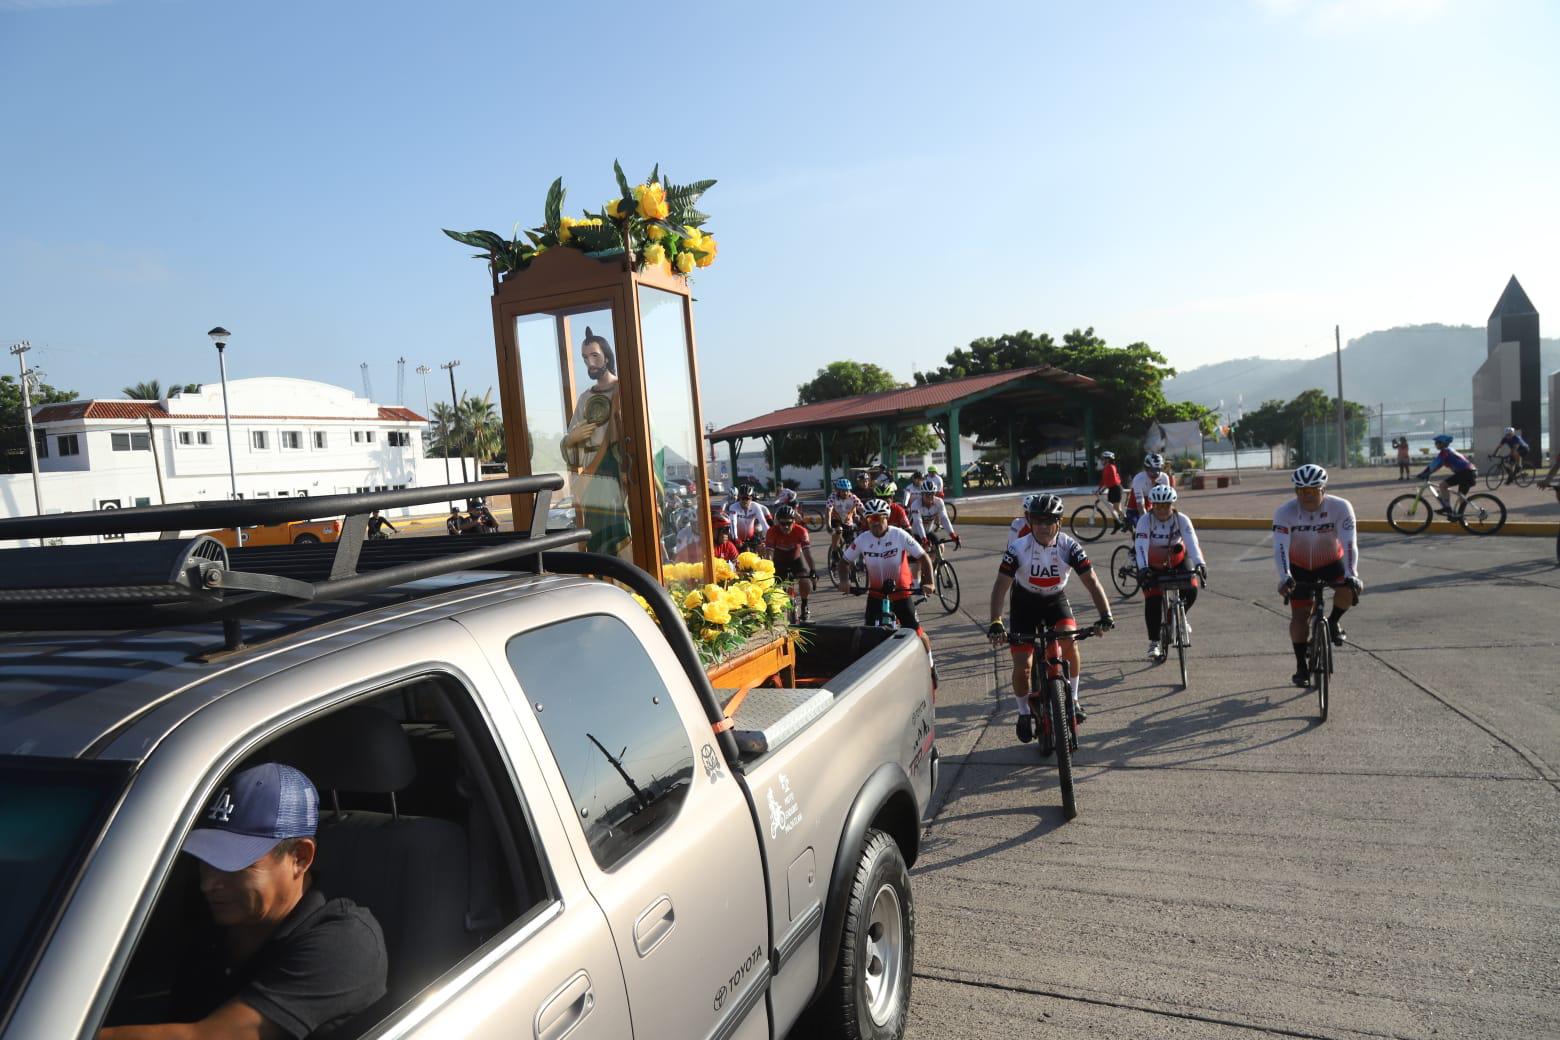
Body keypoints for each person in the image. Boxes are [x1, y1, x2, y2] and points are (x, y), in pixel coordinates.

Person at [100, 764, 387, 1040]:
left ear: (299, 857)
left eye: (233, 864)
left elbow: (210, 1038)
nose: (208, 884)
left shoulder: (345, 942)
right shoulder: (213, 922)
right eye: (206, 860)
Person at [987, 493, 1113, 741]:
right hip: (1024, 604)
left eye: (1049, 521)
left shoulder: (1069, 546)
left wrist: (1105, 615)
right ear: (1029, 521)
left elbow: (1092, 582)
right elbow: (1000, 586)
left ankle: (1073, 699)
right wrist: (996, 622)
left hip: (1055, 601)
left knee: (1070, 643)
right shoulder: (1018, 548)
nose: (1043, 527)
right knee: (1023, 666)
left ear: (1059, 522)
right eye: (1038, 521)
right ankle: (1024, 712)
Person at [1274, 464, 1363, 687]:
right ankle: (1301, 667)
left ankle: (1333, 622)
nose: (1307, 495)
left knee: (1349, 590)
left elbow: (1349, 543)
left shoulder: (1340, 507)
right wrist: (1285, 576)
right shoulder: (1284, 512)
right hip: (1299, 567)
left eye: (1313, 490)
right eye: (1301, 491)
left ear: (1323, 489)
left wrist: (1352, 573)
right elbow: (1280, 547)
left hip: (1332, 563)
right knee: (1300, 617)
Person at [560, 327, 630, 556]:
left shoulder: (624, 390)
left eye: (595, 356)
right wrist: (572, 439)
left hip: (618, 473)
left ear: (607, 357)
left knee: (620, 533)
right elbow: (571, 443)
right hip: (593, 476)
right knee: (598, 537)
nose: (590, 363)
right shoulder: (585, 398)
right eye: (585, 358)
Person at [842, 499, 932, 659]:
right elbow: (844, 562)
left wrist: (929, 582)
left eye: (879, 518)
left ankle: (931, 664)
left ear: (887, 518)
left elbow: (923, 557)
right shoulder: (863, 539)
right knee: (867, 637)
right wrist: (844, 582)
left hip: (901, 593)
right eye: (871, 519)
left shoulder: (898, 534)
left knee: (917, 632)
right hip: (876, 594)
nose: (875, 523)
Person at [1134, 484, 1206, 662]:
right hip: (1152, 565)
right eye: (1158, 506)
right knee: (1153, 600)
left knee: (1192, 589)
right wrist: (1143, 568)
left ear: (1172, 505)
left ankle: (1178, 617)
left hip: (1178, 561)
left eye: (1165, 505)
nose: (1161, 510)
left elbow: (1192, 543)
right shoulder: (1145, 521)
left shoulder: (1181, 520)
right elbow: (1141, 546)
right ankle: (1154, 641)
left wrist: (1200, 563)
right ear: (1152, 505)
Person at [765, 504, 819, 621]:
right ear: (777, 522)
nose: (785, 526)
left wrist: (813, 570)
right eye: (782, 523)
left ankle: (804, 605)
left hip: (796, 559)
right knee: (774, 588)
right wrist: (767, 572)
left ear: (794, 521)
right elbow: (769, 555)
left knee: (805, 580)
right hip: (778, 561)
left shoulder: (801, 531)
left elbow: (807, 554)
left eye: (789, 523)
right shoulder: (771, 531)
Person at [907, 483, 960, 593]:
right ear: (922, 494)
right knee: (918, 558)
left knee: (940, 548)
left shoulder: (938, 502)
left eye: (932, 494)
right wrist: (924, 540)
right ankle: (916, 585)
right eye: (927, 495)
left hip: (928, 531)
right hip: (916, 533)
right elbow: (918, 522)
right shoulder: (916, 504)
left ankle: (932, 570)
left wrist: (953, 535)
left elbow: (944, 519)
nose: (930, 497)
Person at [1416, 434, 1476, 514]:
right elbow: (1438, 466)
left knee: (1443, 486)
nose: (1435, 444)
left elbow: (1434, 464)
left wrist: (1423, 474)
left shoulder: (1444, 452)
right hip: (1471, 472)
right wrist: (1427, 473)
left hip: (1465, 473)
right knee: (1461, 497)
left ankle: (1447, 508)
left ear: (1442, 443)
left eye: (1437, 442)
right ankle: (1459, 516)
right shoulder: (1450, 450)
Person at [1126, 453, 1171, 529]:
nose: (1155, 473)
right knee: (1142, 528)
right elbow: (1140, 505)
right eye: (1152, 470)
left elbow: (1167, 502)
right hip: (1135, 508)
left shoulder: (1164, 478)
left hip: (1151, 507)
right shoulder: (1139, 479)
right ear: (1146, 469)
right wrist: (1146, 523)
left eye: (1158, 470)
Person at [723, 484, 770, 552]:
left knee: (762, 551)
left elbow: (763, 522)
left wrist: (769, 536)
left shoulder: (755, 506)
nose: (744, 501)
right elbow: (733, 524)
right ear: (739, 497)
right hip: (738, 539)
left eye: (747, 498)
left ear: (751, 498)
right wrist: (735, 538)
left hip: (751, 538)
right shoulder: (733, 507)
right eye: (742, 498)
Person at [825, 477, 864, 553]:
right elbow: (828, 511)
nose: (845, 493)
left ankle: (847, 554)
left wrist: (868, 519)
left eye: (847, 490)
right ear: (838, 491)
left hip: (847, 521)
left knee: (850, 542)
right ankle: (834, 551)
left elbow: (862, 509)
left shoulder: (853, 497)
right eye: (843, 491)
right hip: (835, 519)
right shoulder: (833, 497)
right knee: (838, 530)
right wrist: (828, 525)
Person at [1094, 450, 1126, 532]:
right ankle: (1117, 524)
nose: (1102, 460)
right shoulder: (1107, 468)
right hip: (1112, 489)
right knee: (1111, 508)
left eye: (1103, 459)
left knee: (1116, 508)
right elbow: (1104, 481)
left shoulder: (1110, 467)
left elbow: (1112, 481)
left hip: (1116, 489)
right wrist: (1099, 489)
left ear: (1107, 459)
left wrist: (1102, 489)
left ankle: (1127, 521)